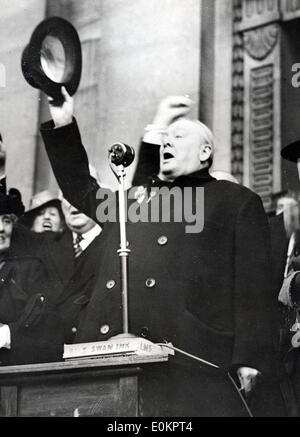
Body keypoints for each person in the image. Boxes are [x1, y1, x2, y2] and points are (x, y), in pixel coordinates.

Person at [40, 88, 274, 417]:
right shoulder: (137, 203)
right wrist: (63, 121)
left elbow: (253, 286)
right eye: (164, 138)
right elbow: (81, 189)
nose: (167, 141)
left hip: (191, 359)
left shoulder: (234, 200)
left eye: (178, 136)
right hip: (115, 355)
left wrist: (250, 357)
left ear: (206, 151)